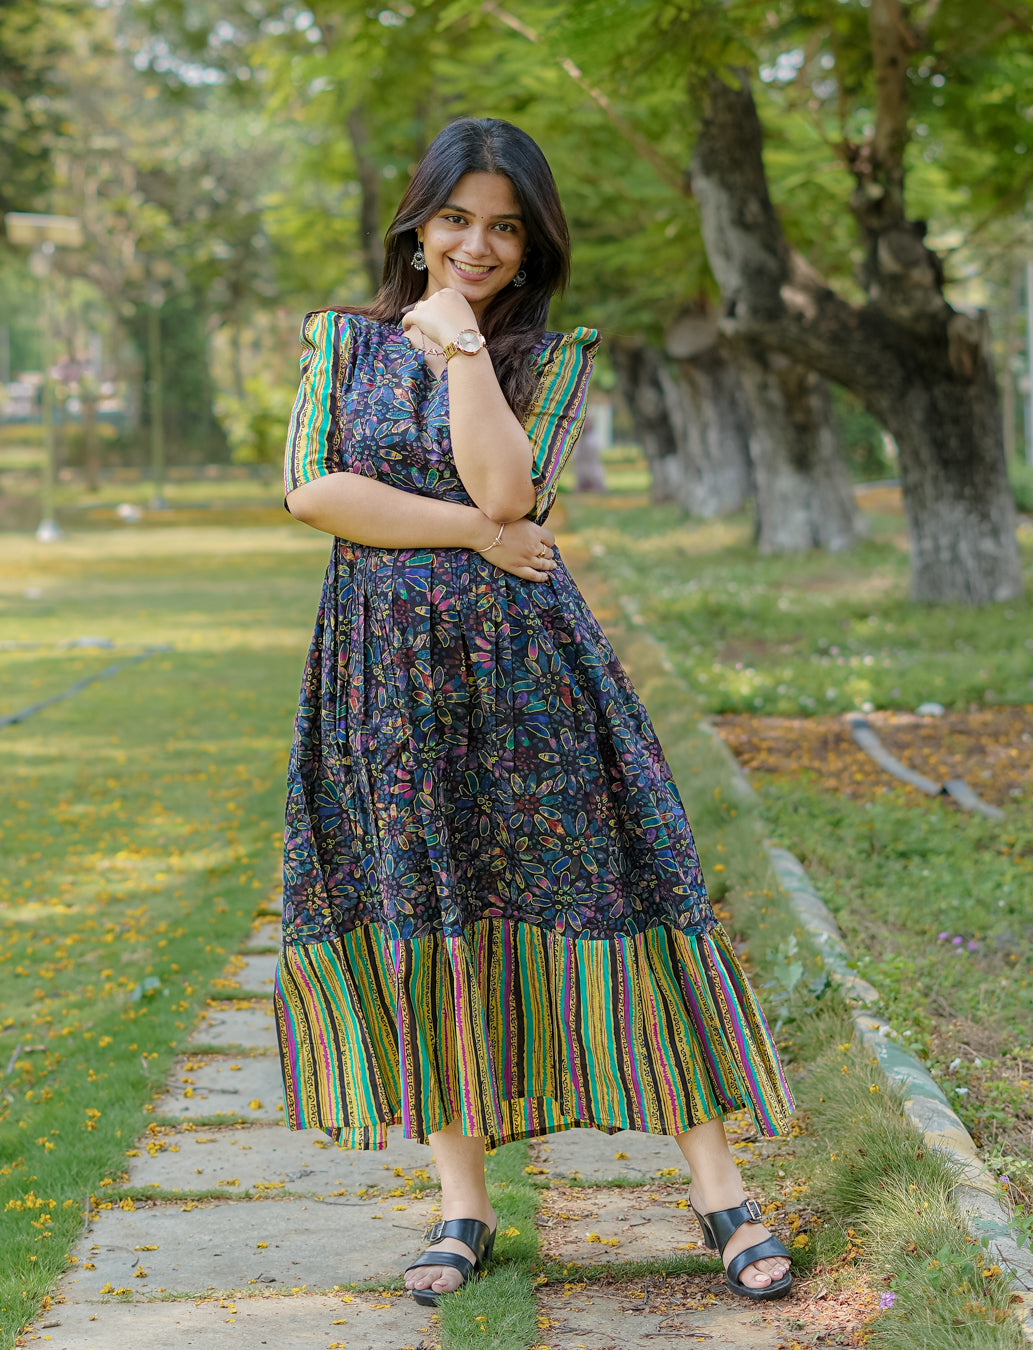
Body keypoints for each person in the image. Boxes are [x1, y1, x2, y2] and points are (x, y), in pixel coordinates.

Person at [275, 117, 795, 1308]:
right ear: (417, 224)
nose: (478, 245)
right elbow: (315, 492)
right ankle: (463, 1204)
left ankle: (720, 1191)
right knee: (424, 901)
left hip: (528, 675)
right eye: (456, 219)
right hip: (383, 684)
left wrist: (462, 347)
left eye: (505, 228)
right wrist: (471, 533)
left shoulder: (548, 360)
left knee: (619, 889)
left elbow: (509, 485)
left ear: (533, 243)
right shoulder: (340, 343)